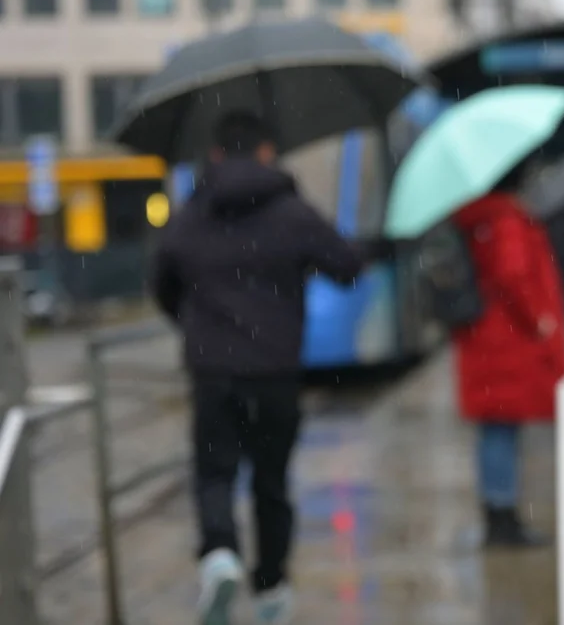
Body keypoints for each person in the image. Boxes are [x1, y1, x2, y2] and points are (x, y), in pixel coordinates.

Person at [150, 111, 396, 625]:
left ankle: (220, 555)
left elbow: (162, 280)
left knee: (214, 473)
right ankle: (270, 589)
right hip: (276, 371)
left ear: (215, 154)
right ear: (267, 151)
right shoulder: (292, 212)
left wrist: (195, 323)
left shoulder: (192, 212)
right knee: (271, 483)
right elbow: (347, 267)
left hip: (213, 369)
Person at [450, 162, 564, 547]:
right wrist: (540, 320)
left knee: (495, 426)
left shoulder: (478, 216)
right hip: (507, 338)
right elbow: (513, 274)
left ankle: (498, 514)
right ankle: (502, 519)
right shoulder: (505, 218)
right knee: (501, 427)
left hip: (486, 336)